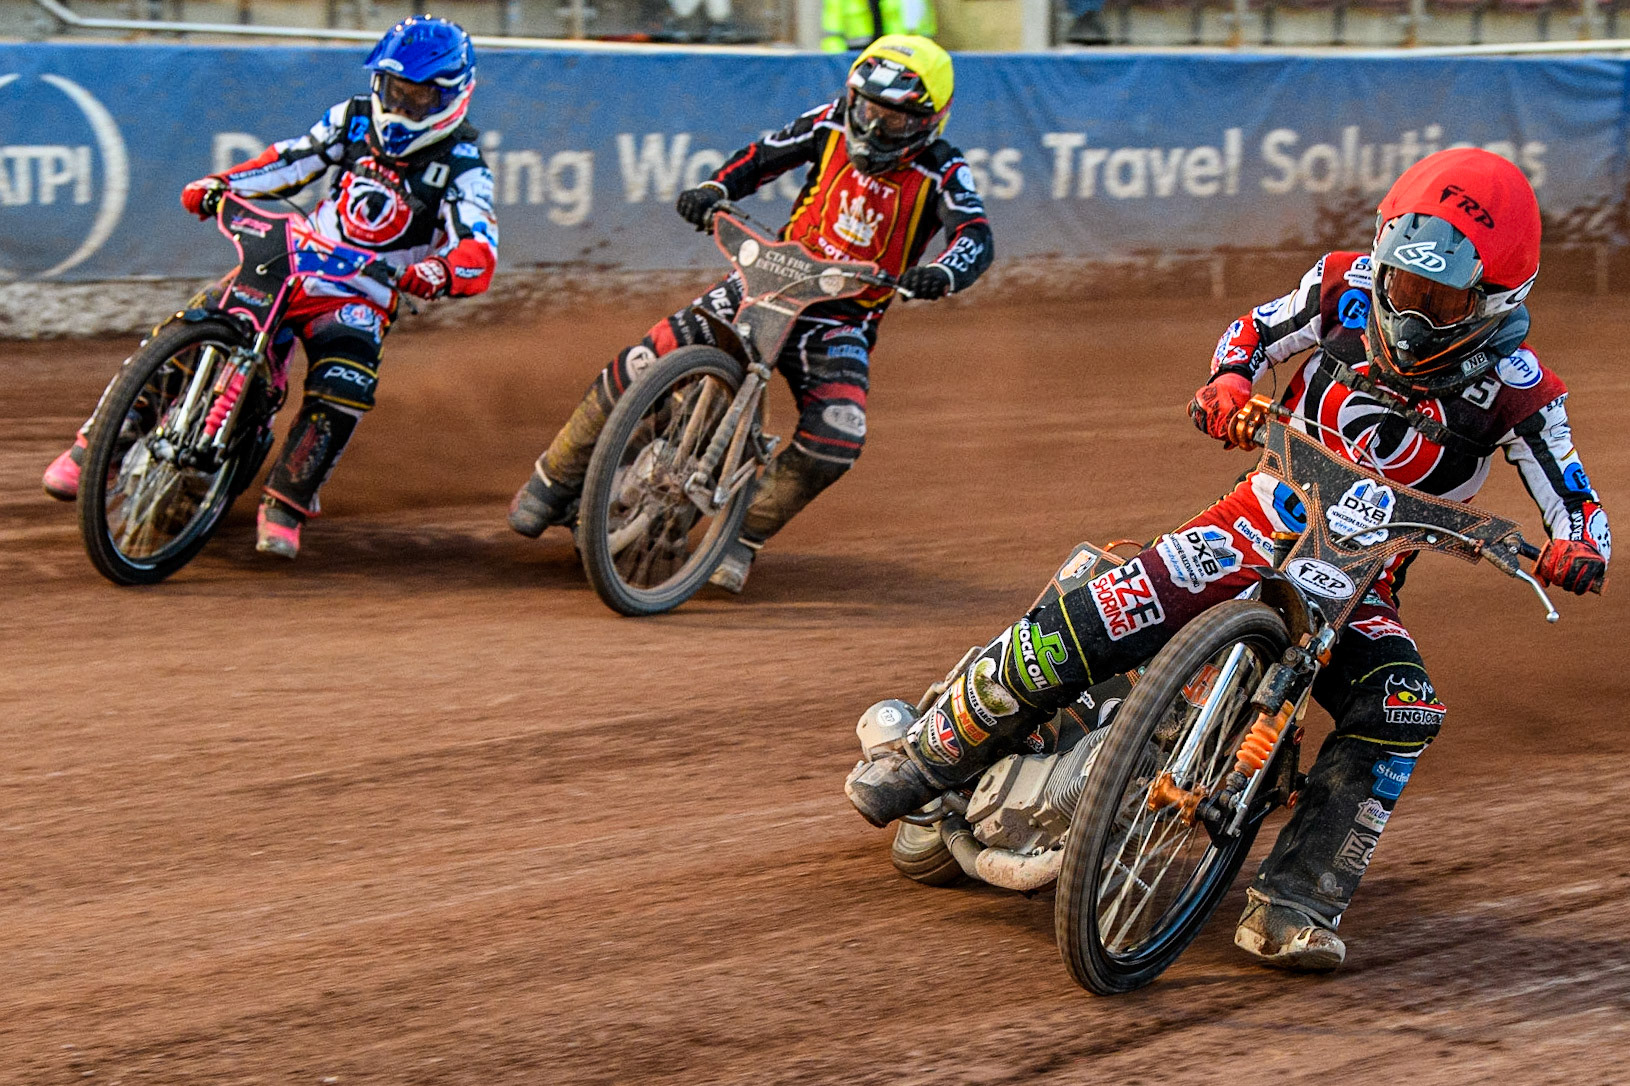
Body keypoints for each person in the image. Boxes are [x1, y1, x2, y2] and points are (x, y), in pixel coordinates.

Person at [846, 147, 1609, 971]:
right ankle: (927, 757)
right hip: (1253, 521)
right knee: (1108, 606)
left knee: (1403, 707)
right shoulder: (1341, 285)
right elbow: (1253, 332)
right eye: (1404, 283)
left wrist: (1578, 548)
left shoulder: (1526, 392)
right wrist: (1226, 379)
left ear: (1497, 301)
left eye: (1440, 296)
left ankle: (1295, 903)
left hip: (1362, 586)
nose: (1412, 310)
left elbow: (1577, 498)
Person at [507, 34, 993, 594]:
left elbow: (975, 234)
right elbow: (762, 156)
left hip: (839, 319)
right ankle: (552, 477)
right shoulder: (830, 122)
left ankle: (742, 536)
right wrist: (717, 186)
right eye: (867, 109)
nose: (875, 127)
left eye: (896, 120)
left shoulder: (944, 170)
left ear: (931, 120)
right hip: (768, 279)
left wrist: (945, 271)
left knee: (839, 434)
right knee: (644, 358)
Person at [42, 15, 498, 561]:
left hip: (361, 292)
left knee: (344, 382)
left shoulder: (465, 168)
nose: (401, 106)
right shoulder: (351, 120)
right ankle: (98, 446)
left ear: (451, 97)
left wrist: (440, 271)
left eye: (418, 97)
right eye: (394, 91)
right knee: (198, 318)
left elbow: (480, 249)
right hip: (294, 256)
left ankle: (287, 500)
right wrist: (222, 184)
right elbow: (292, 160)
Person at [821, 0, 936, 53]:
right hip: (856, 53)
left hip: (899, 51)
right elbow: (832, 32)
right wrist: (839, 63)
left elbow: (923, 25)